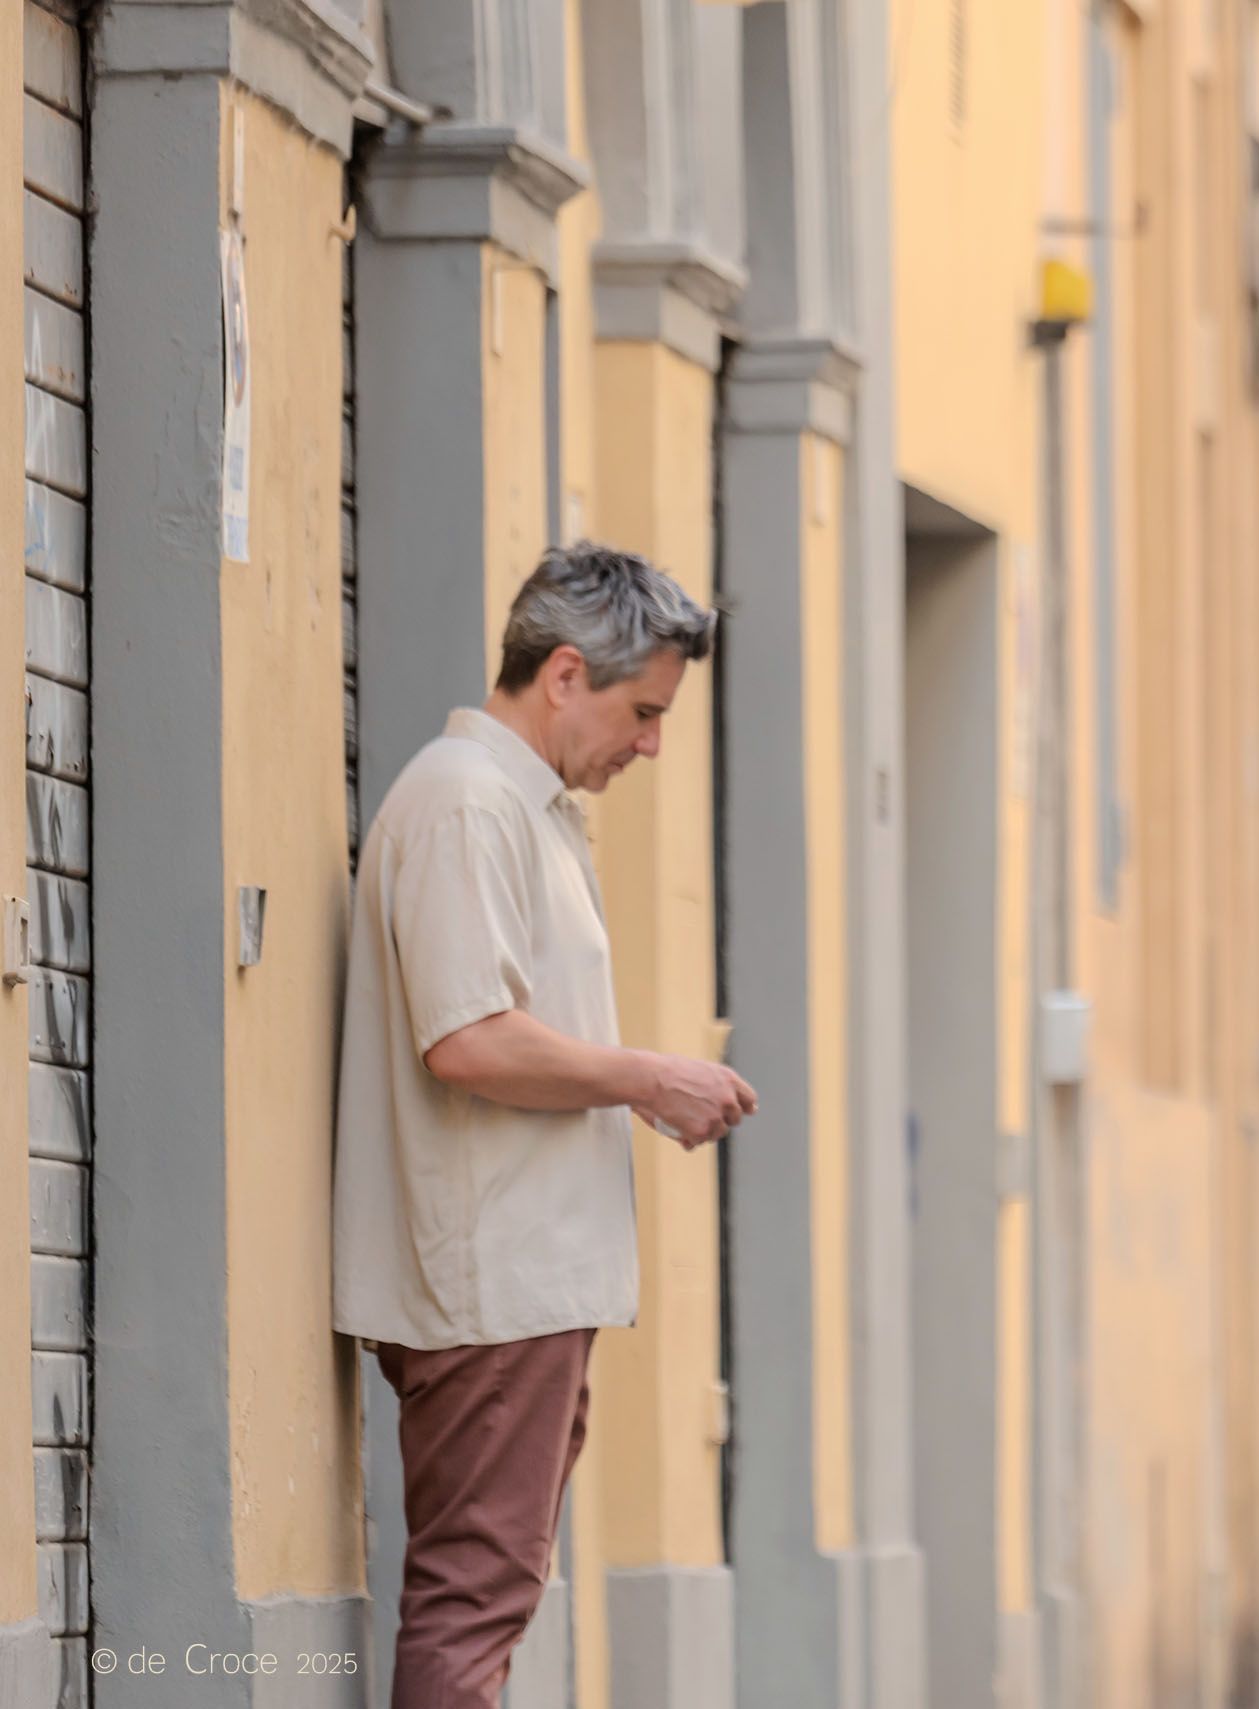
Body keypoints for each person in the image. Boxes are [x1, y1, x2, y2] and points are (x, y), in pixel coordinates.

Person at [333, 543, 757, 1709]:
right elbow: (466, 1039)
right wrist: (647, 1078)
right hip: (493, 1287)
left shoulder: (520, 807)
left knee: (487, 1596)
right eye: (644, 712)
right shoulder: (469, 803)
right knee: (472, 1603)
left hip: (519, 1284)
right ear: (565, 673)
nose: (651, 744)